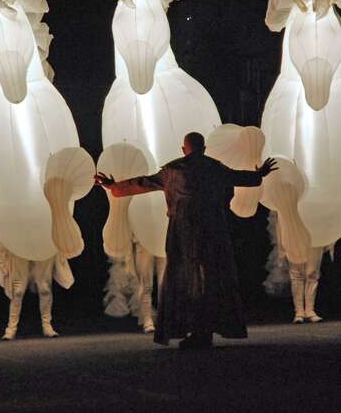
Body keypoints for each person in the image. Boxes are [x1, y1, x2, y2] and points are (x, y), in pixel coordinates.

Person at [95, 132, 277, 349]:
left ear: (184, 149)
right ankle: (204, 330)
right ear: (204, 148)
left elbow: (143, 183)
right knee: (210, 278)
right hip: (212, 231)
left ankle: (196, 330)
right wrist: (259, 174)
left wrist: (113, 186)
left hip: (184, 232)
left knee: (185, 279)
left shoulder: (173, 170)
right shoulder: (215, 168)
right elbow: (240, 178)